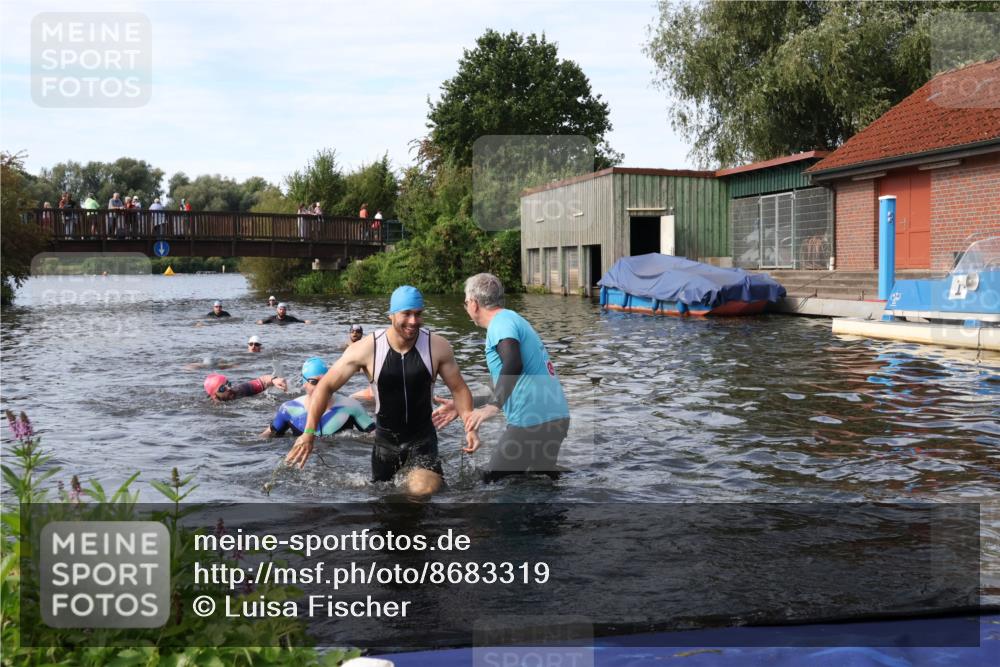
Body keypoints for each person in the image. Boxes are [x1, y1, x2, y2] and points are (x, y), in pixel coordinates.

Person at [285, 286, 480, 497]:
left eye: (418, 314)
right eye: (406, 314)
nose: (413, 321)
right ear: (391, 315)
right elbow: (325, 386)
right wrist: (309, 432)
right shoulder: (367, 348)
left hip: (422, 440)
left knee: (421, 491)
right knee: (384, 503)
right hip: (385, 444)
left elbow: (459, 389)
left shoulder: (437, 346)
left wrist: (469, 424)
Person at [437, 273, 570, 483]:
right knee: (538, 480)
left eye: (465, 302)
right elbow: (501, 381)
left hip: (532, 420)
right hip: (556, 417)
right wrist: (462, 404)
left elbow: (514, 364)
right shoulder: (512, 319)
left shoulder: (500, 324)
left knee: (489, 480)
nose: (466, 308)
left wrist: (493, 407)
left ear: (473, 303)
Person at [261, 357, 374, 439]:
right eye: (314, 382)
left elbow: (378, 436)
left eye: (325, 381)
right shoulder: (289, 410)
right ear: (304, 383)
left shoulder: (350, 407)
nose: (321, 387)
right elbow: (265, 438)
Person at [204, 373, 287, 402]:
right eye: (222, 388)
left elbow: (263, 381)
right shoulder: (212, 409)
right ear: (214, 395)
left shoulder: (238, 391)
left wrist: (274, 379)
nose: (229, 388)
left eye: (228, 384)